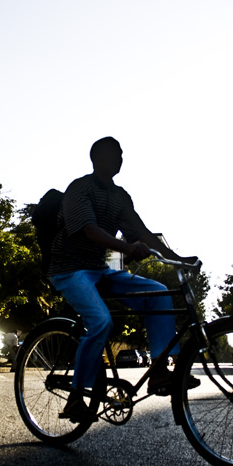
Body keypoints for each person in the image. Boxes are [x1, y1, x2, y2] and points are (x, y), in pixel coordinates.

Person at [47, 136, 199, 423]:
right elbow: (88, 229)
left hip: (98, 270)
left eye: (121, 154)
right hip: (69, 269)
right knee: (102, 322)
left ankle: (159, 372)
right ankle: (76, 397)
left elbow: (141, 233)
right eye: (113, 153)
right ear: (95, 158)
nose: (119, 158)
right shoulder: (80, 188)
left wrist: (177, 258)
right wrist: (127, 248)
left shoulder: (120, 197)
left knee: (159, 292)